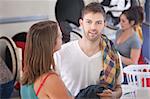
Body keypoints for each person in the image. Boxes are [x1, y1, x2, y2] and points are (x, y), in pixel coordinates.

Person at [55, 2, 122, 99]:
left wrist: (114, 95)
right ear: (81, 23)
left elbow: (119, 87)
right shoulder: (61, 54)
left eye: (98, 22)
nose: (93, 27)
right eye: (89, 22)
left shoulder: (113, 55)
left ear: (104, 24)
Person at [21, 20, 72, 99]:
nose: (62, 36)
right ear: (50, 43)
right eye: (58, 35)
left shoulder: (26, 78)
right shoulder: (51, 80)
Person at [114, 6, 142, 83]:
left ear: (132, 22)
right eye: (120, 20)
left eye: (123, 21)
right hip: (117, 71)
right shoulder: (119, 32)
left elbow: (133, 62)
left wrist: (118, 56)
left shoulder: (135, 40)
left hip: (128, 76)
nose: (120, 23)